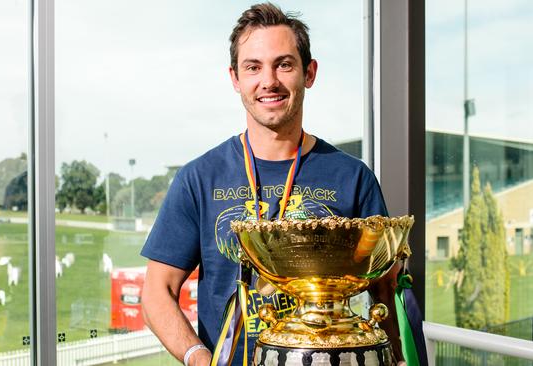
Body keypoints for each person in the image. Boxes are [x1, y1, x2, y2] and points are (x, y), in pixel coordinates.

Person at [140, 3, 405, 365]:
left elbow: (386, 291)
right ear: (235, 79)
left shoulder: (353, 177)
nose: (269, 81)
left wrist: (399, 358)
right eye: (253, 67)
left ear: (309, 73)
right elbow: (157, 291)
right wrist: (202, 359)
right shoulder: (199, 178)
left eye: (284, 64)